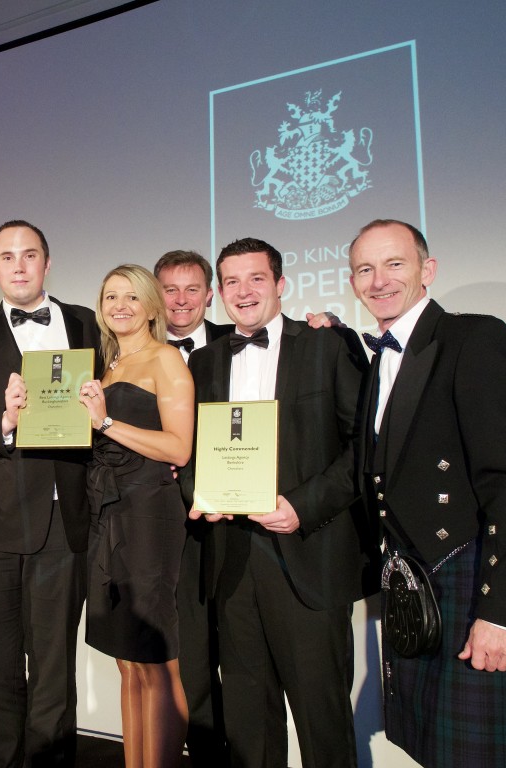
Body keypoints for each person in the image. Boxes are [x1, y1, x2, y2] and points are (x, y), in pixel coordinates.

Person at [348, 219, 506, 767]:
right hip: (416, 585)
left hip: (468, 581)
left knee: (480, 755)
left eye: (394, 264)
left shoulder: (473, 338)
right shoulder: (381, 360)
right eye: (365, 269)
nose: (379, 280)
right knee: (437, 750)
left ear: (426, 270)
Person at [187, 238, 371, 768]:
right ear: (219, 292)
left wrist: (303, 506)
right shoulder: (202, 362)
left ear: (281, 285)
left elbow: (364, 447)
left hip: (307, 557)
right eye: (231, 282)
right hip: (232, 560)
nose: (243, 292)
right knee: (249, 720)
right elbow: (185, 453)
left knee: (322, 721)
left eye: (256, 279)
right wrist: (200, 496)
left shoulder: (327, 346)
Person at [0, 220, 100, 767]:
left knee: (54, 672)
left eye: (28, 255)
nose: (18, 266)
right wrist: (3, 421)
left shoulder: (86, 324)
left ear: (47, 263)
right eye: (6, 257)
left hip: (63, 521)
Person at [77, 264, 194, 767]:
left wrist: (105, 420)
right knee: (127, 662)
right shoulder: (106, 368)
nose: (120, 305)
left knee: (156, 659)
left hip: (150, 515)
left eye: (131, 296)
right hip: (108, 514)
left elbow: (179, 448)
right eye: (110, 297)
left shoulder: (165, 359)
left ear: (152, 306)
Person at [154, 250, 233, 765]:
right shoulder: (128, 353)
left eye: (192, 289)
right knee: (189, 661)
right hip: (159, 523)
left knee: (242, 655)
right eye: (170, 290)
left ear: (210, 295)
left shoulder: (236, 344)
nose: (181, 301)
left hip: (228, 524)